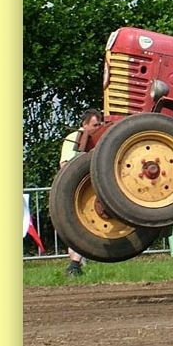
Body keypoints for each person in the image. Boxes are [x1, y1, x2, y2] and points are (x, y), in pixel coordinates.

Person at [59, 108, 102, 276]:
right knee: (77, 227)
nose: (98, 128)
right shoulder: (74, 139)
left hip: (88, 190)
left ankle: (77, 263)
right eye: (95, 125)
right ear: (85, 124)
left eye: (99, 124)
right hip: (75, 190)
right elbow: (65, 165)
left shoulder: (95, 139)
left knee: (83, 227)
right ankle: (75, 265)